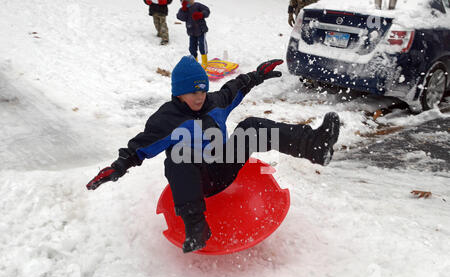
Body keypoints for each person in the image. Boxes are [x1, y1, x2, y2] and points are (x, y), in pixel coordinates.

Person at [86, 56, 341, 254]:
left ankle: (316, 146)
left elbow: (236, 88)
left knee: (250, 126)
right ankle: (196, 228)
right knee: (178, 154)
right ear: (178, 93)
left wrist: (257, 76)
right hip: (197, 182)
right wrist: (117, 168)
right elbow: (137, 150)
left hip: (224, 167)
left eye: (202, 90)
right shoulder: (166, 120)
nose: (199, 96)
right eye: (192, 92)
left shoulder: (214, 102)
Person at [176, 0, 210, 67]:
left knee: (202, 45)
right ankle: (195, 62)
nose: (188, 2)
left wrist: (201, 14)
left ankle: (204, 62)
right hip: (191, 31)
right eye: (184, 1)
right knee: (192, 47)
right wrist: (184, 9)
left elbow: (207, 11)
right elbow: (180, 17)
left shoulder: (197, 5)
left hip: (201, 30)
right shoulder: (183, 10)